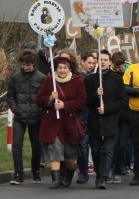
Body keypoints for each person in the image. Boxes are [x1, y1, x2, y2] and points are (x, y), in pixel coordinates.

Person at [36, 57, 87, 189]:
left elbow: (82, 101)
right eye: (60, 68)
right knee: (55, 150)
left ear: (69, 68)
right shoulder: (49, 81)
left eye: (65, 68)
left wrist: (65, 105)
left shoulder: (77, 81)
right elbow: (39, 100)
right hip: (52, 123)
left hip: (69, 123)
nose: (62, 70)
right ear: (56, 69)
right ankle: (55, 180)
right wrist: (50, 98)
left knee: (70, 157)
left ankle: (69, 173)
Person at [84, 50, 127, 189]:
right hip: (94, 121)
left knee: (108, 150)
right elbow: (85, 101)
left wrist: (107, 108)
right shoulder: (90, 79)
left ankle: (103, 177)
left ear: (110, 62)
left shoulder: (117, 79)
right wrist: (95, 94)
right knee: (96, 150)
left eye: (105, 60)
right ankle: (98, 173)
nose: (102, 62)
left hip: (110, 120)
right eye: (100, 59)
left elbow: (122, 102)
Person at [8, 50, 46, 184]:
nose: (26, 67)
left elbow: (44, 96)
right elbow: (11, 95)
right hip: (20, 116)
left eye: (28, 65)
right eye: (24, 64)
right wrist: (15, 108)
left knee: (36, 146)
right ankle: (18, 174)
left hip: (36, 116)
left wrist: (40, 109)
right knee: (17, 145)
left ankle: (35, 171)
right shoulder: (15, 77)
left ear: (34, 64)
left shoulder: (41, 78)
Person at [109, 51, 131, 183]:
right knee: (112, 144)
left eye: (120, 66)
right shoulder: (109, 73)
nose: (118, 69)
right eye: (116, 67)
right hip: (113, 113)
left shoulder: (129, 73)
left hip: (126, 113)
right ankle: (111, 168)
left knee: (122, 144)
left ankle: (119, 169)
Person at [75, 52, 97, 184]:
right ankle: (78, 169)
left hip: (90, 115)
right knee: (79, 145)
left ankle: (84, 171)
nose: (91, 65)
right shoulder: (78, 77)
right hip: (79, 114)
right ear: (82, 61)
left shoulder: (95, 78)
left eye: (94, 63)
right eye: (89, 63)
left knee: (85, 145)